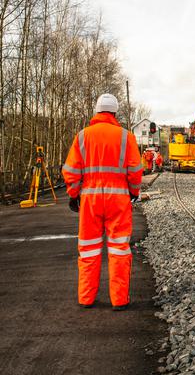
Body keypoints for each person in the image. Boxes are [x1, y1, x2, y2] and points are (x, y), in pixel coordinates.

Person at [62, 93, 143, 310]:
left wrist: (74, 193)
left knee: (88, 249)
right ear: (115, 112)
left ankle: (86, 298)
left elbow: (71, 170)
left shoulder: (82, 136)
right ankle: (119, 300)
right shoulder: (126, 137)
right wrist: (133, 191)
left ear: (97, 111)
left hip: (89, 199)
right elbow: (135, 169)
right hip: (118, 200)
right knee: (118, 249)